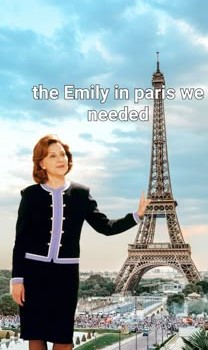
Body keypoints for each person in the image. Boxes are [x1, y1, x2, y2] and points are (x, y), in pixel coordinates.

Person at [11, 134, 150, 350]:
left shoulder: (81, 194)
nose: (61, 159)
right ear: (41, 163)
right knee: (36, 335)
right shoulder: (30, 195)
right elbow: (21, 240)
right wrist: (17, 280)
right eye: (53, 155)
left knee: (63, 338)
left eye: (63, 154)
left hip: (65, 275)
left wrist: (136, 216)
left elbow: (105, 227)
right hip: (33, 273)